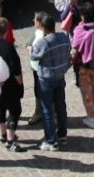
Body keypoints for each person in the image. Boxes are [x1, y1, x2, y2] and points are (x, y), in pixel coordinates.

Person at [0, 17, 26, 153]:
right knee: (14, 111)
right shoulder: (8, 48)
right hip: (9, 86)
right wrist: (20, 82)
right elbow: (16, 69)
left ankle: (3, 134)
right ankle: (10, 140)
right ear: (6, 31)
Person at [30, 15, 71, 150]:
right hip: (60, 77)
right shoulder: (64, 38)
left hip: (46, 80)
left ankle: (51, 140)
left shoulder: (43, 42)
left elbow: (34, 56)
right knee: (61, 107)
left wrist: (31, 48)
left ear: (43, 28)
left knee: (47, 110)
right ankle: (62, 135)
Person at [71, 3, 94, 129]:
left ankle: (91, 117)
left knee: (86, 90)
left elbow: (75, 45)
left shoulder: (81, 29)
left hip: (84, 64)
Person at [26, 11, 46, 126]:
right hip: (35, 68)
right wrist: (29, 45)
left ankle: (43, 112)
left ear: (39, 22)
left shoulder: (45, 35)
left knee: (43, 91)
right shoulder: (37, 32)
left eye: (34, 19)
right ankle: (38, 112)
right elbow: (29, 42)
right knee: (38, 90)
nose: (33, 21)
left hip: (43, 69)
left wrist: (32, 50)